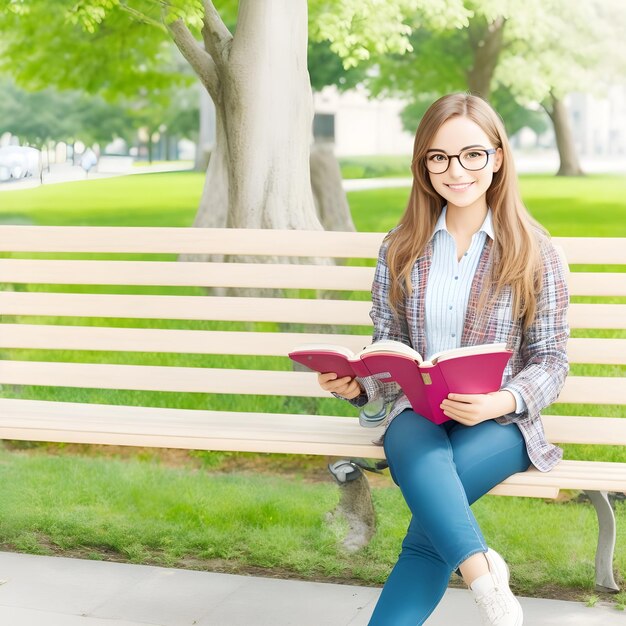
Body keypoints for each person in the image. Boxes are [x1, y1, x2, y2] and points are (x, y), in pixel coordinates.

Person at [317, 92, 569, 626]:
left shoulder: (534, 249)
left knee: (431, 527)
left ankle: (478, 574)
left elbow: (551, 361)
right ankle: (485, 575)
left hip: (499, 423)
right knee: (412, 444)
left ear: (497, 157)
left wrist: (501, 399)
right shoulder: (400, 247)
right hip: (419, 417)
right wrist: (359, 387)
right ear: (423, 164)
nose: (456, 171)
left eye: (472, 155)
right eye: (439, 157)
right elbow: (388, 347)